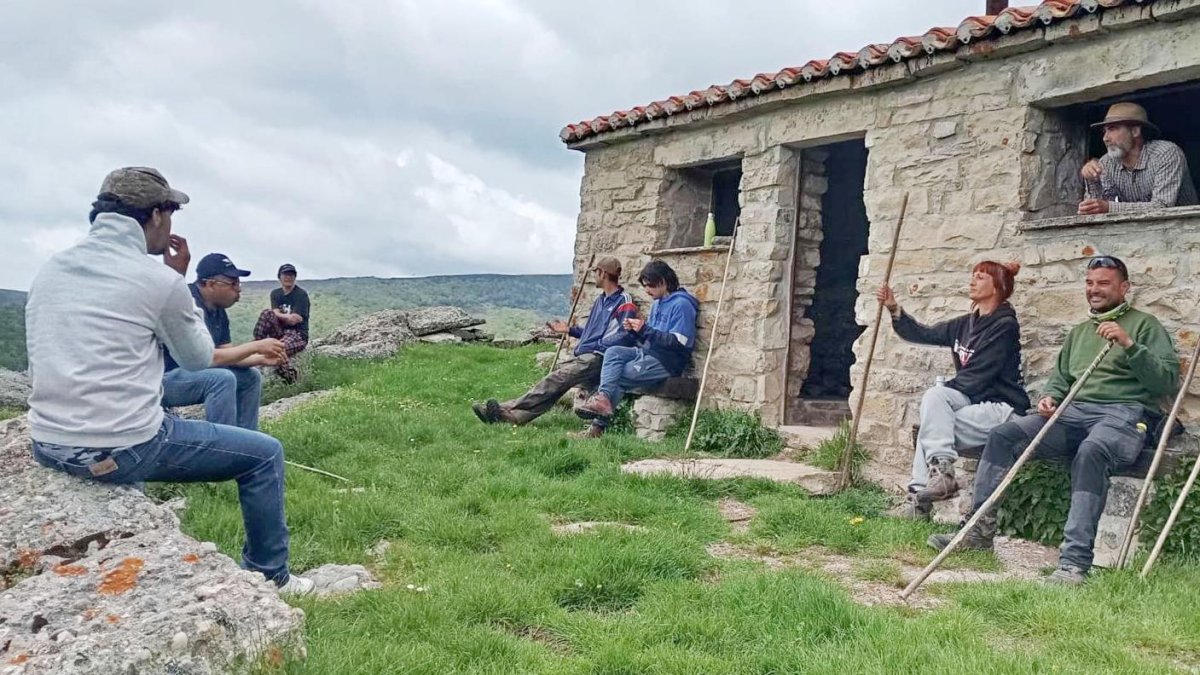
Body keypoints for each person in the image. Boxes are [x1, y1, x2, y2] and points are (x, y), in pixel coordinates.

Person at [25, 167, 312, 594]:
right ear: (157, 215)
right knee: (265, 455)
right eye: (172, 214)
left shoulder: (53, 268)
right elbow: (197, 358)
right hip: (125, 446)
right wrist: (175, 277)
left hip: (47, 442)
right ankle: (270, 576)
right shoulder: (157, 278)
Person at [929, 255, 1179, 586]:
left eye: (1103, 283)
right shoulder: (1079, 333)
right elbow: (1060, 380)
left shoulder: (1145, 326)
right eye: (1089, 283)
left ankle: (1074, 564)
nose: (1094, 290)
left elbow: (1165, 382)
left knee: (1092, 452)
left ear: (1124, 287)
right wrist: (1050, 398)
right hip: (1072, 412)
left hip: (1123, 414)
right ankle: (977, 531)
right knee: (1004, 435)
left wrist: (1130, 345)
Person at [879, 261, 1030, 520]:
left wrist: (942, 397)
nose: (972, 281)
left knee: (933, 418)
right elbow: (923, 333)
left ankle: (926, 495)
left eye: (980, 277)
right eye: (973, 276)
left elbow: (979, 375)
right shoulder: (964, 325)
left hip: (1001, 408)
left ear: (998, 287)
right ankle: (929, 488)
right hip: (972, 404)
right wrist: (894, 308)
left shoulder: (1004, 325)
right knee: (934, 422)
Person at [472, 257, 637, 437]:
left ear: (603, 273)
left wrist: (598, 345)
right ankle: (514, 417)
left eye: (595, 273)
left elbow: (626, 335)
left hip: (599, 356)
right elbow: (591, 332)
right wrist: (569, 330)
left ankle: (505, 409)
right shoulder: (600, 300)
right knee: (556, 384)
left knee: (556, 379)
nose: (594, 277)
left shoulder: (624, 301)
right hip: (586, 353)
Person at [162, 253, 289, 431]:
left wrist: (261, 359)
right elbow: (206, 357)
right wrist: (256, 346)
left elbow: (228, 355)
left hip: (191, 375)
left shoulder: (218, 310)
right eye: (232, 283)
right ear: (211, 284)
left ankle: (247, 443)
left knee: (251, 377)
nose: (238, 289)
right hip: (161, 380)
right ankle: (223, 447)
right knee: (222, 379)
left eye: (238, 283)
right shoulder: (187, 303)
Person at [574, 261, 698, 436]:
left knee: (621, 374)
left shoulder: (682, 305)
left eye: (650, 286)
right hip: (647, 352)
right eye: (645, 286)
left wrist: (644, 329)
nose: (647, 291)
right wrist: (636, 331)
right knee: (613, 352)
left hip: (667, 361)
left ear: (663, 281)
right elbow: (650, 336)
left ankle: (597, 426)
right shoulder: (657, 303)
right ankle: (602, 401)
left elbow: (679, 342)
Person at [1079, 102, 1198, 215]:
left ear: (1135, 131)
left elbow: (1162, 206)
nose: (1105, 138)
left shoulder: (1166, 153)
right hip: (1139, 231)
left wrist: (1109, 208)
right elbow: (1094, 212)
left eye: (1112, 129)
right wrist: (1092, 178)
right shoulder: (1107, 162)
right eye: (1104, 131)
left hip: (1187, 229)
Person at [253, 263, 310, 383]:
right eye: (285, 274)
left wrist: (278, 314)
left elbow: (294, 320)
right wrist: (282, 315)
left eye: (291, 275)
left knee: (277, 350)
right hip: (281, 331)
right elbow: (274, 314)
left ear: (295, 277)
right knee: (266, 313)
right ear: (279, 277)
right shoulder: (275, 293)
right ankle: (257, 346)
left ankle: (291, 378)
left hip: (297, 334)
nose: (288, 277)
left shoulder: (301, 295)